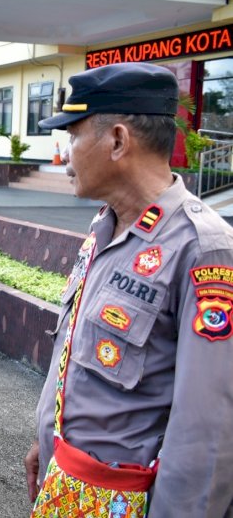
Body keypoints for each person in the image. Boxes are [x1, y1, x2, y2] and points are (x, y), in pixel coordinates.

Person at [23, 62, 233, 517]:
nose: (65, 154)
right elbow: (73, 349)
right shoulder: (107, 225)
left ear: (117, 140)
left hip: (128, 499)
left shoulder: (201, 248)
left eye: (73, 135)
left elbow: (208, 430)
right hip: (69, 483)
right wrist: (48, 437)